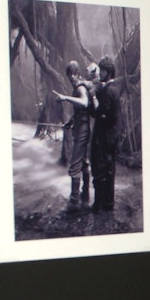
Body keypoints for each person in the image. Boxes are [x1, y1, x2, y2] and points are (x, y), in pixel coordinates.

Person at [54, 60, 91, 209]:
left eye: (72, 76)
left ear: (76, 74)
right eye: (69, 77)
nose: (71, 79)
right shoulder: (79, 86)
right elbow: (79, 111)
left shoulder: (80, 87)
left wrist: (65, 98)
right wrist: (70, 122)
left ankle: (74, 201)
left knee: (75, 164)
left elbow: (84, 103)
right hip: (81, 127)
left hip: (82, 130)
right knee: (83, 162)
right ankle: (85, 194)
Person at [91, 55, 120, 213]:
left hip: (103, 137)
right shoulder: (114, 90)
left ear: (107, 72)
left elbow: (100, 113)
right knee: (110, 170)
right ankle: (109, 204)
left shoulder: (106, 92)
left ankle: (98, 205)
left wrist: (94, 96)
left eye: (101, 70)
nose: (99, 73)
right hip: (112, 136)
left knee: (100, 170)